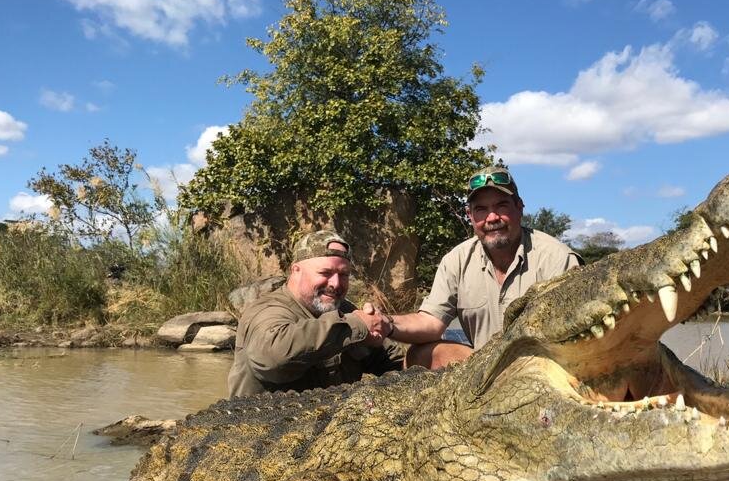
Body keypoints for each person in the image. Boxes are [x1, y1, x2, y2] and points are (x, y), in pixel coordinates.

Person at [385, 165, 581, 369]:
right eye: (481, 209)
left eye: (502, 206)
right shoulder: (456, 260)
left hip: (543, 369)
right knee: (419, 354)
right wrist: (386, 323)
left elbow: (574, 336)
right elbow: (431, 322)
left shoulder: (557, 259)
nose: (492, 218)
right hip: (483, 373)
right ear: (470, 215)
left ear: (519, 207)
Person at [227, 230, 404, 398]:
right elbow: (274, 357)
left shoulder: (346, 311)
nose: (335, 283)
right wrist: (357, 325)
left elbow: (395, 361)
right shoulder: (267, 310)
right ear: (296, 270)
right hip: (260, 426)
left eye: (344, 275)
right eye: (325, 273)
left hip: (332, 425)